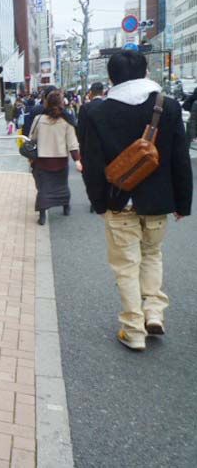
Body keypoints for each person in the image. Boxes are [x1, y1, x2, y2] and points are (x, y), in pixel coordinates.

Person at [81, 51, 193, 351]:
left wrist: (99, 203)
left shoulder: (95, 112)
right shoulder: (167, 106)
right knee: (152, 254)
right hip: (158, 202)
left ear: (111, 77)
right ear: (146, 72)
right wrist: (183, 203)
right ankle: (154, 311)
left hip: (119, 201)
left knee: (126, 266)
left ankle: (133, 329)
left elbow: (92, 163)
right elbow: (180, 158)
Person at [29, 91, 81, 226]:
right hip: (61, 160)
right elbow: (72, 143)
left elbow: (32, 138)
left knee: (44, 188)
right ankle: (66, 207)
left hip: (42, 160)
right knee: (61, 185)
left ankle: (42, 215)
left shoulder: (39, 119)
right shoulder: (67, 120)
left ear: (47, 103)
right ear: (61, 103)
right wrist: (77, 160)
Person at [77, 82, 105, 213]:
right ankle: (105, 198)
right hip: (105, 147)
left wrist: (81, 146)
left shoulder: (85, 108)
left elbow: (80, 131)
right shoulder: (107, 106)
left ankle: (94, 201)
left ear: (91, 93)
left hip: (89, 148)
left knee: (91, 176)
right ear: (102, 92)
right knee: (104, 174)